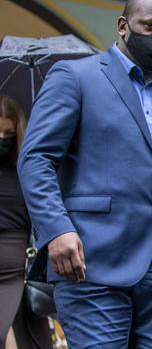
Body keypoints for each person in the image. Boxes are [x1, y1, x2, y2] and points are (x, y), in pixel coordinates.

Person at [18, 0, 152, 348]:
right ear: (124, 26)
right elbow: (36, 158)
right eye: (150, 26)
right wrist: (56, 230)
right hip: (91, 263)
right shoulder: (75, 77)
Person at [0, 95, 51, 349]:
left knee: (23, 327)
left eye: (7, 132)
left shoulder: (28, 168)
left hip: (19, 262)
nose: (2, 138)